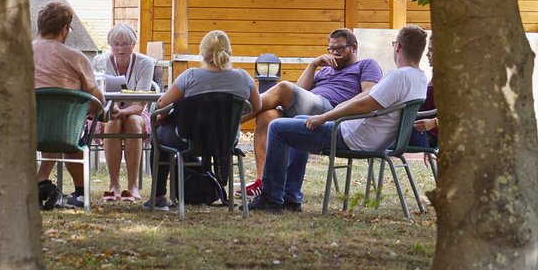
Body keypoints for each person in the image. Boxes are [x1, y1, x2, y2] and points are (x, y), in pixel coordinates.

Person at [249, 24, 428, 213]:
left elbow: (364, 105)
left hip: (350, 136)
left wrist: (324, 117)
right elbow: (365, 101)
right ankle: (291, 196)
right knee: (299, 119)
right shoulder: (419, 78)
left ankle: (271, 199)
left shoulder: (397, 76)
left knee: (277, 128)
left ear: (398, 47)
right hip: (365, 137)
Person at [243, 28, 381, 202]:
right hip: (309, 108)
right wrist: (313, 64)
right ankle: (262, 182)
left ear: (354, 48)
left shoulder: (366, 64)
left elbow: (369, 94)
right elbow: (300, 91)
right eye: (331, 49)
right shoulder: (325, 70)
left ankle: (232, 120)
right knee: (267, 115)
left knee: (284, 87)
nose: (334, 53)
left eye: (340, 48)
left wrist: (337, 110)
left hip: (331, 112)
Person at [144, 30, 264, 209]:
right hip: (226, 140)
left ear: (202, 53)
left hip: (189, 138)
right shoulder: (243, 78)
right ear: (229, 52)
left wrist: (161, 116)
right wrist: (231, 123)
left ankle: (159, 196)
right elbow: (258, 106)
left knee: (159, 136)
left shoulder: (191, 76)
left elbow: (162, 102)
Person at [34, 0, 105, 208]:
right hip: (64, 132)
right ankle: (81, 193)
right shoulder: (76, 58)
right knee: (70, 124)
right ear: (65, 30)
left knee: (52, 118)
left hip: (26, 130)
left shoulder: (20, 54)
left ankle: (40, 181)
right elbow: (97, 100)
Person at [93, 23, 158, 202]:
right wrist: (114, 111)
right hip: (109, 111)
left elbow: (141, 103)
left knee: (133, 122)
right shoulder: (101, 61)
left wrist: (123, 112)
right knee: (112, 123)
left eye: (125, 44)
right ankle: (113, 185)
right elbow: (98, 94)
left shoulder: (145, 63)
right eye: (116, 44)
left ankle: (132, 186)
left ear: (133, 44)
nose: (120, 49)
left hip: (135, 111)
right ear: (110, 45)